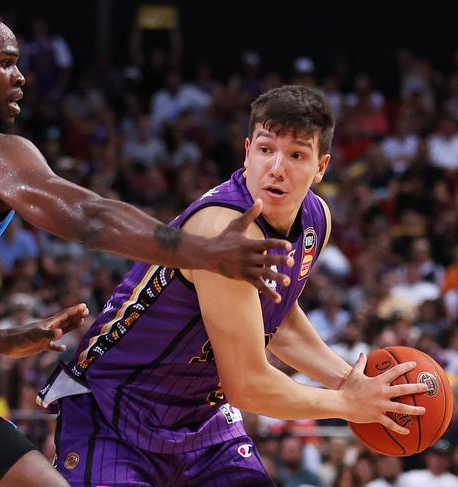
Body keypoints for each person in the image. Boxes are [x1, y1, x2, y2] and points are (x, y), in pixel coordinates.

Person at [0, 1, 293, 486]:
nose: (20, 75)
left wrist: (6, 340)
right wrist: (202, 251)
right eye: (4, 63)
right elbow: (86, 215)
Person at [38, 85, 429, 486]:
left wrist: (349, 380)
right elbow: (246, 385)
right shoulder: (226, 230)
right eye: (265, 149)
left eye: (296, 155)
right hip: (116, 412)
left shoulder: (316, 220)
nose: (277, 167)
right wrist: (346, 404)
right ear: (246, 151)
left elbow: (276, 315)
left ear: (321, 166)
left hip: (201, 419)